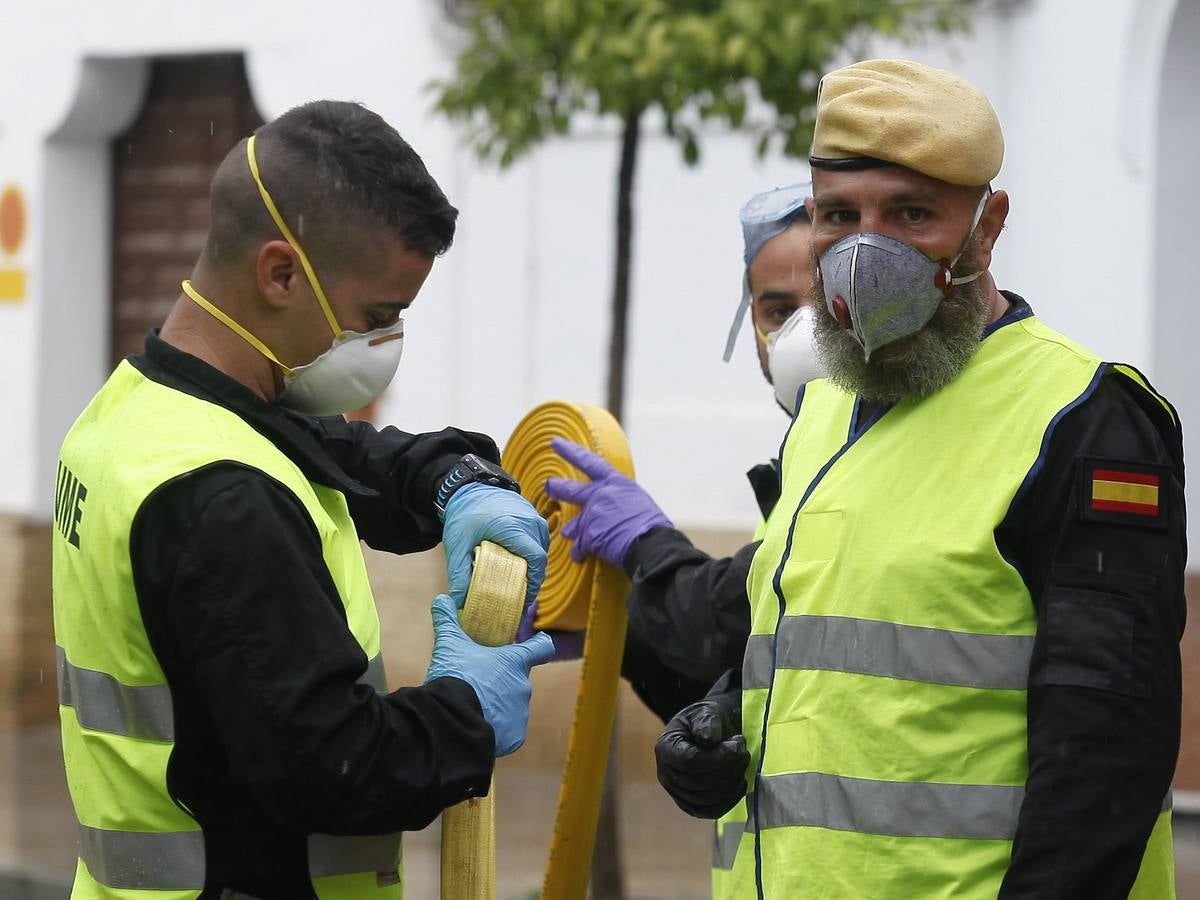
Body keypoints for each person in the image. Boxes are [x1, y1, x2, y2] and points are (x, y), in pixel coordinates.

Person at [654, 58, 1185, 899]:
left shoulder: (1085, 421)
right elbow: (847, 651)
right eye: (839, 215)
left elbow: (1104, 760)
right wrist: (725, 722)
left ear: (988, 224)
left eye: (910, 213)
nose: (867, 251)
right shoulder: (826, 409)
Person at [51, 100, 556, 899]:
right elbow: (331, 768)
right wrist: (466, 710)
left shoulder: (137, 414)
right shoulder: (224, 499)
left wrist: (454, 482)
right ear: (281, 273)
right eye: (378, 316)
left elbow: (342, 456)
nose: (385, 344)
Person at [543, 182, 821, 897]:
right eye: (778, 311)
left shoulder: (873, 461)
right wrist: (619, 631)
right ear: (749, 325)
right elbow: (745, 662)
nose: (801, 336)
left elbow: (724, 614)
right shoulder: (804, 465)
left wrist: (646, 546)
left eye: (824, 305)